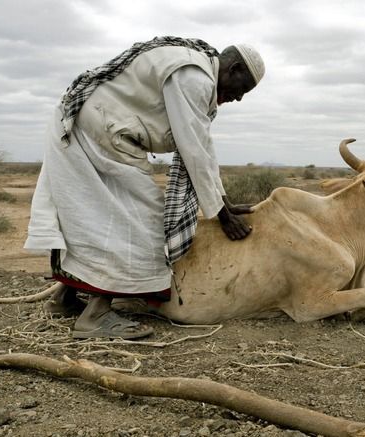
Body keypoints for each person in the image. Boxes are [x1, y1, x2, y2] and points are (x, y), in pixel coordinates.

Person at [24, 36, 265, 339]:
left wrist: (222, 200)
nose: (239, 99)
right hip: (100, 131)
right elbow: (193, 148)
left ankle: (66, 298)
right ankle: (96, 316)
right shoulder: (195, 77)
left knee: (88, 216)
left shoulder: (195, 66)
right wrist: (220, 213)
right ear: (234, 68)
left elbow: (202, 145)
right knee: (139, 221)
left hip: (90, 125)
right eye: (242, 89)